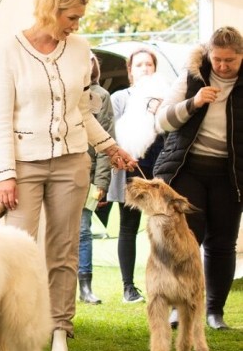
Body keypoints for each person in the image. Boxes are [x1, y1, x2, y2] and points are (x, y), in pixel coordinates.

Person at [0, 0, 134, 351]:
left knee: (64, 252)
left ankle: (58, 337)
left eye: (79, 18)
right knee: (16, 254)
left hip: (73, 161)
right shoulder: (9, 50)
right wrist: (6, 174)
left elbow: (83, 110)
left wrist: (110, 147)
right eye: (72, 17)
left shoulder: (80, 49)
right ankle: (11, 339)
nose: (76, 25)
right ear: (51, 10)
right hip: (24, 164)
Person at [153, 26, 243, 331]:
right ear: (208, 54)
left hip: (230, 174)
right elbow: (162, 120)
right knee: (186, 241)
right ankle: (180, 306)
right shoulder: (193, 75)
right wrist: (194, 103)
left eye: (230, 60)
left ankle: (214, 311)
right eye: (217, 59)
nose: (222, 66)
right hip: (187, 169)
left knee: (222, 243)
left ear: (241, 57)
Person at [106, 47, 165, 304]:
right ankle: (128, 287)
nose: (144, 69)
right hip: (130, 169)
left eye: (148, 65)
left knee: (162, 225)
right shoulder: (120, 98)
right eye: (138, 65)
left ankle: (163, 283)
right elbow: (112, 135)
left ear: (154, 68)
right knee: (128, 227)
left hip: (159, 169)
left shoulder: (166, 95)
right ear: (130, 71)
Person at [77, 53, 113, 305]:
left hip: (88, 177)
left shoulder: (102, 96)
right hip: (63, 170)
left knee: (83, 231)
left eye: (90, 60)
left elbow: (105, 141)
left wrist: (101, 183)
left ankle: (85, 286)